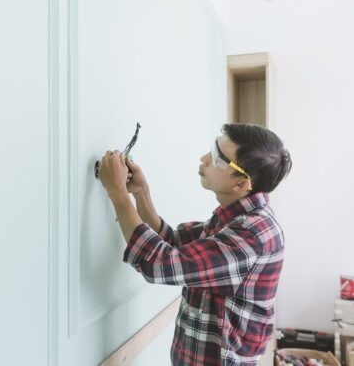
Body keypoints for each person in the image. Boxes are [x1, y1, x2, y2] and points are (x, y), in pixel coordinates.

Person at [97, 123, 292, 366]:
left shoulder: (252, 234)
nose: (204, 159)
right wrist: (141, 193)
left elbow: (159, 264)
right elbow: (174, 243)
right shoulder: (236, 218)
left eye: (219, 159)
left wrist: (117, 193)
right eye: (213, 149)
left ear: (242, 183)